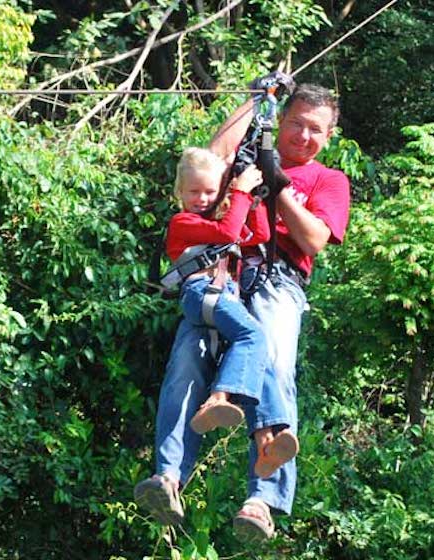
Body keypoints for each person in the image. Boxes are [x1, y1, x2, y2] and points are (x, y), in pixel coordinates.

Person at [136, 80, 350, 541]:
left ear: (328, 136)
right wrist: (257, 101)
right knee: (186, 364)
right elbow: (209, 154)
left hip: (278, 279)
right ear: (282, 120)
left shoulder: (328, 180)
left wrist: (281, 189)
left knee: (272, 358)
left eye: (315, 130)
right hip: (218, 275)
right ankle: (168, 478)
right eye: (295, 124)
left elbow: (314, 239)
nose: (304, 136)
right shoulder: (243, 162)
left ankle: (262, 500)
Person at [134, 147, 300, 525]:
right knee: (251, 339)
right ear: (181, 193)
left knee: (261, 359)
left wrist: (257, 194)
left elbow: (255, 233)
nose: (203, 200)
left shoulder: (219, 217)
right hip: (203, 295)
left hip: (223, 299)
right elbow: (227, 232)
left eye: (210, 193)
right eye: (195, 193)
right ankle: (218, 402)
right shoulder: (183, 222)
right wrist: (239, 191)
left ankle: (267, 443)